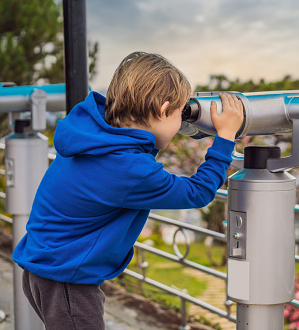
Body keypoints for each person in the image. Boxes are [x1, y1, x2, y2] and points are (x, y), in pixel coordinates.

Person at [12, 51, 244, 329]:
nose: (181, 123)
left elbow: (136, 154)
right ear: (162, 109)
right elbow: (197, 192)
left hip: (45, 269)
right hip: (67, 282)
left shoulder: (95, 136)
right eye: (180, 114)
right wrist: (225, 137)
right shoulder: (128, 168)